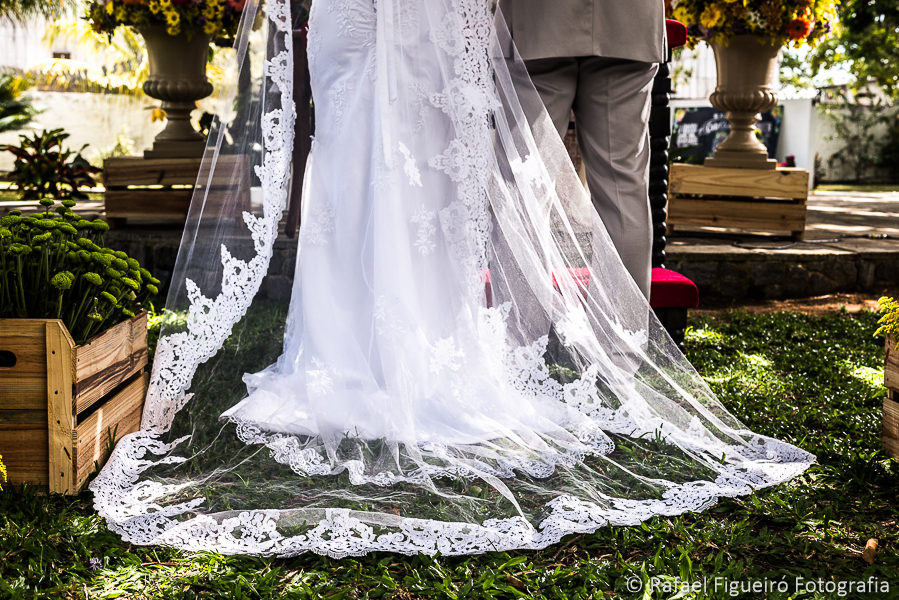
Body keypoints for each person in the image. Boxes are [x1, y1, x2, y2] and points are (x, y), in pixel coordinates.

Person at [90, 0, 813, 557]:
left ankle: (526, 341)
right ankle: (613, 344)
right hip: (605, 23)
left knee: (493, 177)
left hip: (529, 24)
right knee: (591, 185)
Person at [501, 0, 665, 299]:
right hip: (629, 19)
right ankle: (623, 341)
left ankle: (521, 337)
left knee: (527, 183)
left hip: (538, 19)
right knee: (623, 184)